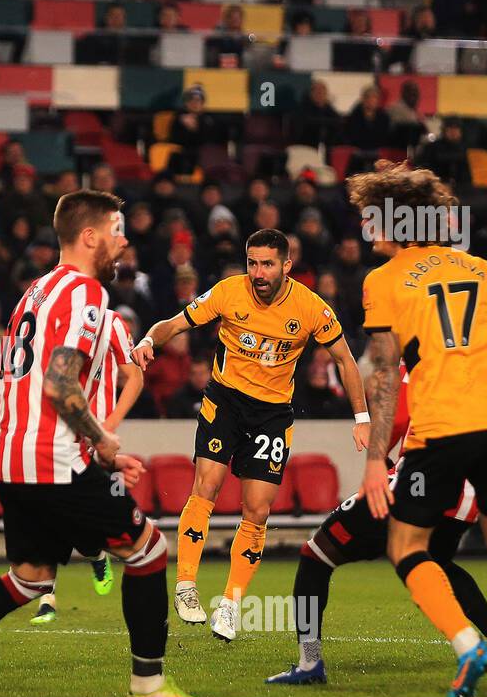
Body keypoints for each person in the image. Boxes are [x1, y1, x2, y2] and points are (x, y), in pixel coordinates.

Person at [0, 190, 211, 697]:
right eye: (117, 230)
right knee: (148, 552)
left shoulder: (34, 292)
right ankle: (148, 690)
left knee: (28, 579)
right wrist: (101, 439)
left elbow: (29, 383)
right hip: (50, 460)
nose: (124, 240)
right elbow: (59, 384)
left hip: (10, 456)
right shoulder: (87, 294)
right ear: (90, 236)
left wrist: (97, 449)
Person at [351, 163, 487, 697]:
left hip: (441, 431)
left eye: (375, 217)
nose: (369, 227)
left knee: (405, 546)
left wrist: (376, 459)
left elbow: (384, 376)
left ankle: (467, 645)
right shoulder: (480, 268)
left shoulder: (384, 282)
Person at [132, 229, 369, 640]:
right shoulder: (228, 293)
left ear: (286, 266)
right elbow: (174, 323)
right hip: (225, 402)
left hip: (272, 415)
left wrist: (362, 416)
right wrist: (150, 339)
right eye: (252, 263)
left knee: (257, 510)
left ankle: (230, 604)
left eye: (267, 264)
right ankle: (186, 585)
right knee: (206, 485)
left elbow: (345, 361)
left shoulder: (311, 308)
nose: (258, 272)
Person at [267, 358, 487, 684]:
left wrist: (383, 457)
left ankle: (310, 663)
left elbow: (397, 419)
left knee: (316, 555)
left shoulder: (419, 357)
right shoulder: (486, 364)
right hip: (469, 499)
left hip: (418, 485)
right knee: (435, 563)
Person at [31, 308, 143, 624]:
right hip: (54, 430)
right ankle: (46, 598)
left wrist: (109, 427)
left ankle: (94, 552)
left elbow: (134, 375)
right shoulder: (50, 318)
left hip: (95, 433)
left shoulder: (112, 322)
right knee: (46, 512)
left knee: (80, 522)